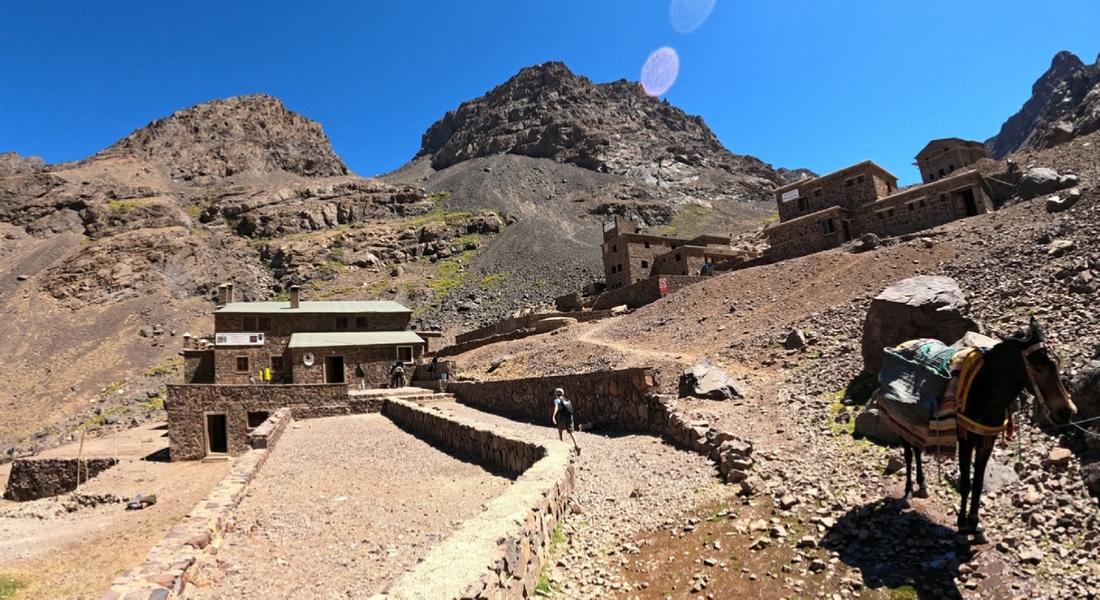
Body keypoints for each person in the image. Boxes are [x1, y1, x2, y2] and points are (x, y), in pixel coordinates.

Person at [551, 387, 580, 453]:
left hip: (562, 418)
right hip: (570, 418)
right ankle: (576, 445)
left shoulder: (557, 400)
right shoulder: (567, 400)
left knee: (560, 431)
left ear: (556, 394)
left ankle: (562, 445)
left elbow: (556, 407)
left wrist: (553, 416)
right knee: (572, 432)